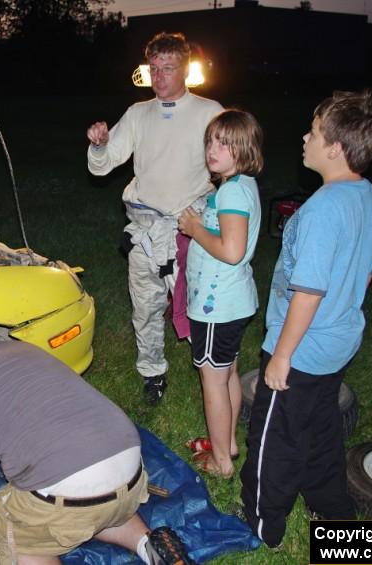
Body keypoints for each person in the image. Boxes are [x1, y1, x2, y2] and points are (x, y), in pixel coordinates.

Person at [240, 90, 372, 548]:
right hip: (340, 341)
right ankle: (334, 512)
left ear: (335, 147)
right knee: (321, 431)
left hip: (301, 349)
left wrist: (281, 355)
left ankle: (262, 525)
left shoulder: (323, 208)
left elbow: (308, 290)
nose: (305, 136)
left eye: (315, 129)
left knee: (273, 441)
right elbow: (365, 274)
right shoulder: (371, 198)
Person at [0, 329, 196, 565]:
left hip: (69, 490)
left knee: (16, 539)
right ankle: (150, 548)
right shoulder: (23, 347)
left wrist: (4, 525)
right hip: (128, 467)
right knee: (96, 506)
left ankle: (30, 538)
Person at [87, 32, 223, 405]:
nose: (160, 77)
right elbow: (101, 167)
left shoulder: (210, 112)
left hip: (187, 229)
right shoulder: (137, 113)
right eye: (154, 69)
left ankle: (213, 375)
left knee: (199, 305)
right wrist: (98, 145)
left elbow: (231, 163)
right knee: (145, 307)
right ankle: (153, 373)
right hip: (144, 229)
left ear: (186, 70)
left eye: (169, 68)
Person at [176, 109, 263, 479]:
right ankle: (227, 444)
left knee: (213, 381)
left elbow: (231, 250)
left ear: (244, 149)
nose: (213, 148)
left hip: (217, 307)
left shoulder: (231, 193)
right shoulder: (238, 187)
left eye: (224, 143)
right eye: (211, 140)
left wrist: (195, 228)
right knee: (228, 374)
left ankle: (222, 463)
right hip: (233, 303)